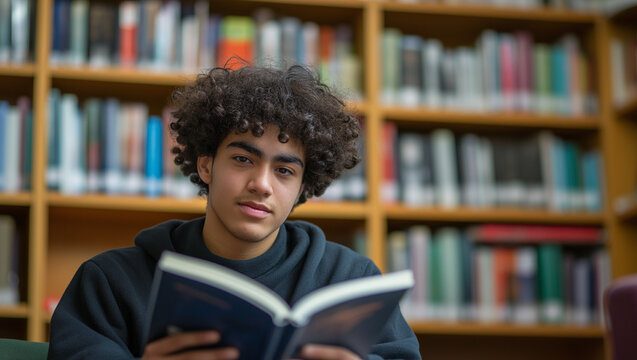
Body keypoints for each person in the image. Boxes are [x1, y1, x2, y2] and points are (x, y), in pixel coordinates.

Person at [47, 63, 421, 359]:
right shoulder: (111, 282)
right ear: (206, 166)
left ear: (303, 187)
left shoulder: (351, 282)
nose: (262, 184)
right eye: (243, 159)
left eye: (285, 171)